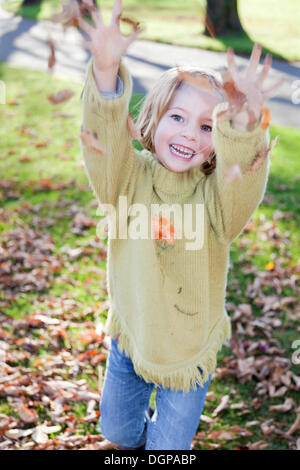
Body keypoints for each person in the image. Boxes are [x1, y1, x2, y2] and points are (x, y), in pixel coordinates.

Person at [78, 0, 283, 451]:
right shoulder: (126, 179)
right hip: (132, 336)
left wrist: (245, 124)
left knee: (168, 451)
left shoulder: (217, 200)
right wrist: (107, 73)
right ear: (153, 118)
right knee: (115, 432)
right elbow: (103, 143)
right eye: (178, 117)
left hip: (189, 353)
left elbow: (242, 181)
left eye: (208, 127)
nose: (191, 133)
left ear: (218, 145)